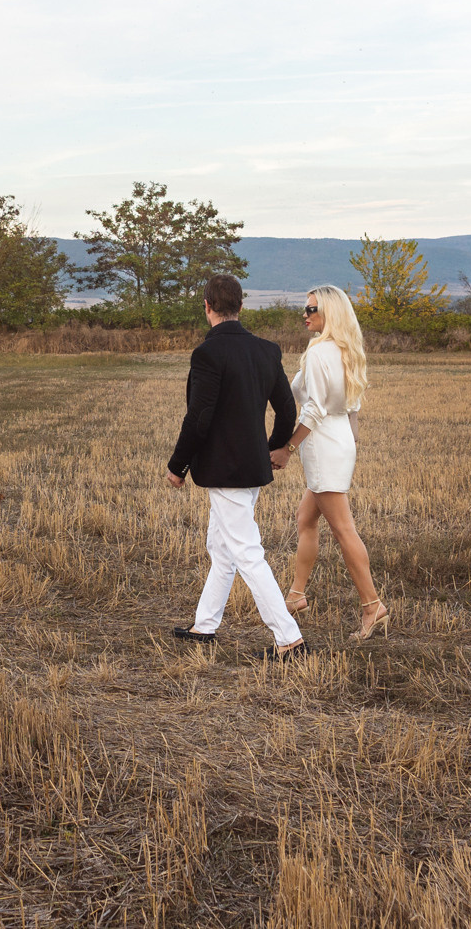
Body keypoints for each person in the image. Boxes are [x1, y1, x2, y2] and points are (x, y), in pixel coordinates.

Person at [166, 274, 308, 660]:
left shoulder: (207, 354)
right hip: (252, 466)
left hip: (225, 471)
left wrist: (178, 465)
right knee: (222, 548)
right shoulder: (266, 350)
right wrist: (273, 448)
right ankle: (205, 624)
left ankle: (289, 640)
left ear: (207, 307)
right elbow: (287, 408)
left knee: (246, 552)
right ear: (241, 307)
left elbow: (199, 417)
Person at [272, 284, 389, 640]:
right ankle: (296, 595)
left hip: (322, 444)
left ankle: (372, 606)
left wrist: (287, 449)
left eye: (311, 310)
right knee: (306, 518)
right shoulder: (343, 349)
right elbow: (349, 407)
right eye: (304, 309)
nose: (304, 315)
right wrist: (351, 443)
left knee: (342, 529)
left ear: (330, 313)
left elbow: (313, 408)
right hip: (338, 440)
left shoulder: (321, 352)